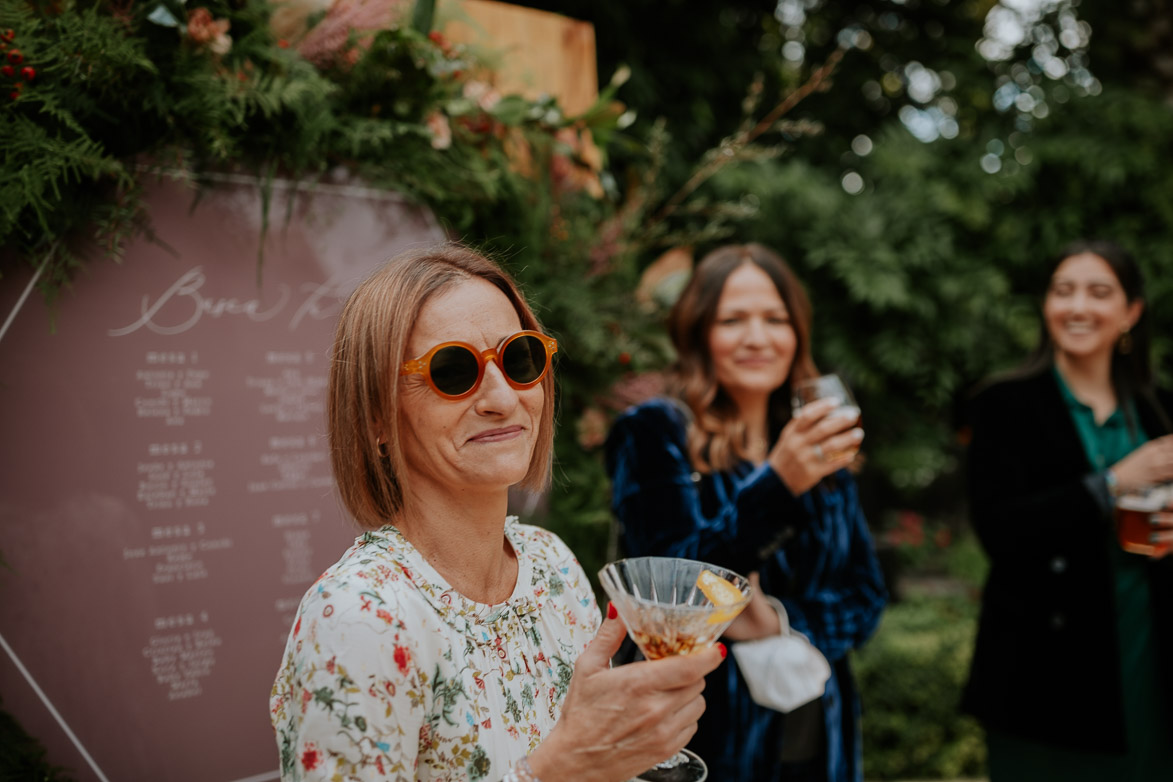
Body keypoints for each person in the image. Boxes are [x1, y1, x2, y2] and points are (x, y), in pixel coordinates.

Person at [270, 243, 725, 782]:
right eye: (454, 370)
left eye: (519, 358)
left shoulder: (550, 564)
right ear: (375, 415)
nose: (503, 397)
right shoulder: (359, 618)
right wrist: (561, 768)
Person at [604, 243, 888, 782]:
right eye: (734, 319)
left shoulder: (816, 443)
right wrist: (778, 486)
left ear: (796, 333)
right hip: (706, 737)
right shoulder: (656, 431)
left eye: (775, 319)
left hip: (819, 730)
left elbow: (866, 596)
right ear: (699, 332)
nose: (758, 337)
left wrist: (774, 623)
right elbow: (669, 589)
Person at [961, 239, 1173, 780]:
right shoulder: (1002, 405)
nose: (1078, 306)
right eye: (1063, 291)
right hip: (1043, 674)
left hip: (1145, 652)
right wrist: (1111, 484)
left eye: (1099, 292)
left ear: (1131, 313)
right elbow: (1000, 532)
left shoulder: (1157, 408)